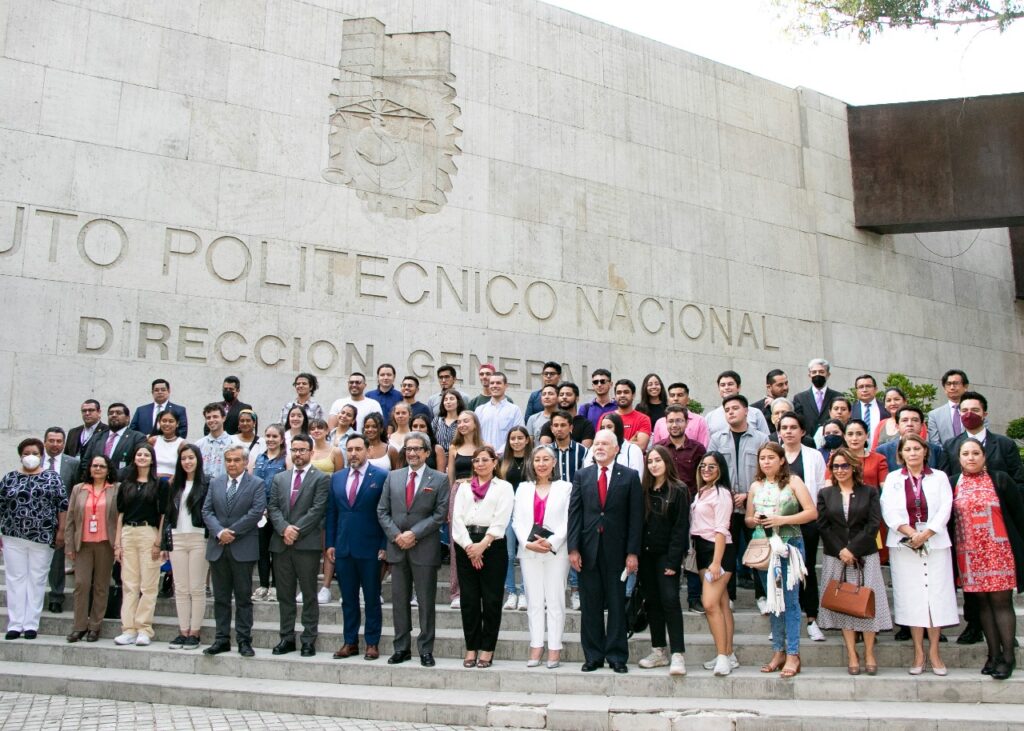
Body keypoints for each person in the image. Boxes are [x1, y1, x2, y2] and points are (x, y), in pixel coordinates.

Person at [943, 391, 1024, 646]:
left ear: (985, 413)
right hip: (969, 547)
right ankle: (986, 643)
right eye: (964, 409)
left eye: (975, 410)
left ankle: (1007, 649)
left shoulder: (1004, 447)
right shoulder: (951, 446)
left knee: (1000, 602)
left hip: (999, 543)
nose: (969, 414)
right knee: (978, 601)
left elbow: (1019, 492)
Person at [880, 434, 957, 675]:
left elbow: (946, 507)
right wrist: (911, 533)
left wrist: (927, 533)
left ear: (925, 451)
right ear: (900, 454)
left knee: (936, 596)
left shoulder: (940, 477)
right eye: (907, 449)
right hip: (904, 543)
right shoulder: (893, 478)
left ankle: (934, 651)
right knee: (912, 598)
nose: (912, 453)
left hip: (935, 542)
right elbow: (889, 510)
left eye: (917, 448)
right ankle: (918, 652)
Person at [568, 429, 642, 673]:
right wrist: (573, 548)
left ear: (616, 449)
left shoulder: (630, 476)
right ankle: (593, 655)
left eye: (605, 444)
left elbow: (635, 518)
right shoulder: (582, 475)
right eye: (596, 443)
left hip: (617, 551)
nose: (599, 447)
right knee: (590, 605)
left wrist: (632, 553)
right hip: (588, 550)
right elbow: (575, 514)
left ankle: (617, 656)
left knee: (617, 604)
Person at [816, 448, 892, 675]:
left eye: (844, 466)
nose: (840, 470)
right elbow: (823, 525)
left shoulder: (869, 492)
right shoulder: (825, 494)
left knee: (866, 605)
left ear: (854, 467)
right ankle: (852, 653)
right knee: (845, 606)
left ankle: (869, 652)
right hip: (836, 556)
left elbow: (873, 523)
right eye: (836, 466)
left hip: (864, 556)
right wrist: (842, 551)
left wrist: (853, 549)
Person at [952, 438, 1024, 679]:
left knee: (1002, 603)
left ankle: (1008, 657)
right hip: (969, 553)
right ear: (959, 458)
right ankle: (993, 655)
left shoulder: (1000, 479)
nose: (970, 458)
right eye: (965, 453)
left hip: (999, 551)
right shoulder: (954, 483)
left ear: (984, 456)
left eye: (975, 453)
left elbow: (1018, 516)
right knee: (982, 604)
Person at [745, 442, 817, 678]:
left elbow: (811, 512)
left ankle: (794, 653)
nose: (766, 462)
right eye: (762, 458)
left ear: (781, 460)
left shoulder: (793, 482)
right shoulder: (756, 485)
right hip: (763, 547)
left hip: (789, 544)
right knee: (773, 601)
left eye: (770, 458)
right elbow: (746, 519)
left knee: (791, 599)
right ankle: (778, 650)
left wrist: (780, 520)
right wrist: (755, 519)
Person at [378, 431, 450, 666]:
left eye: (418, 449)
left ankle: (426, 649)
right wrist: (397, 536)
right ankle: (402, 648)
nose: (412, 453)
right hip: (397, 547)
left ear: (427, 453)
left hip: (424, 548)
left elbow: (440, 515)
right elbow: (382, 511)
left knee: (426, 602)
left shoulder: (439, 479)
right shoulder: (393, 477)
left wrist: (414, 534)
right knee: (399, 601)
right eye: (409, 449)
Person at [451, 446, 514, 669]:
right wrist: (471, 547)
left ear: (494, 462)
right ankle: (471, 648)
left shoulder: (504, 487)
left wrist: (483, 545)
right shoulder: (463, 487)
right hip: (466, 544)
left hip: (493, 545)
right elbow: (456, 518)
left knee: (491, 600)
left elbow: (501, 519)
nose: (480, 464)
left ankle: (487, 649)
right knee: (469, 601)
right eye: (476, 460)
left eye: (485, 460)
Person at [327, 433, 388, 661]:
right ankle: (349, 641)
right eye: (349, 449)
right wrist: (330, 543)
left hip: (371, 548)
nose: (353, 453)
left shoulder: (381, 476)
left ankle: (372, 642)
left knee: (372, 597)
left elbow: (385, 512)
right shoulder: (337, 478)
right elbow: (332, 513)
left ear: (367, 451)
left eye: (358, 449)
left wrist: (384, 545)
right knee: (348, 599)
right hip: (343, 548)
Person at [0, 438, 68, 640]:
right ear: (21, 455)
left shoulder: (52, 478)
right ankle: (15, 623)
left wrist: (61, 531)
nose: (31, 457)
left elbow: (62, 506)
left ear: (42, 456)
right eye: (27, 453)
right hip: (13, 536)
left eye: (36, 453)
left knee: (37, 580)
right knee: (15, 579)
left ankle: (31, 624)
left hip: (42, 536)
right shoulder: (9, 478)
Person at [202, 445, 266, 657]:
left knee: (243, 598)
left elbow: (256, 512)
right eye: (228, 460)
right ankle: (221, 639)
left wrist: (232, 532)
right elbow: (207, 510)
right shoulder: (215, 483)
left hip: (243, 547)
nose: (231, 464)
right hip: (218, 546)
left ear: (245, 462)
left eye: (236, 460)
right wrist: (220, 532)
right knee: (220, 597)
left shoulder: (256, 484)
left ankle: (244, 640)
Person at [270, 434, 330, 657]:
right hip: (281, 543)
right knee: (284, 595)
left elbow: (317, 509)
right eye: (294, 450)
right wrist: (284, 529)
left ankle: (308, 639)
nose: (298, 454)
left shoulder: (321, 478)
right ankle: (286, 637)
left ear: (311, 452)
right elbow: (273, 507)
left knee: (308, 594)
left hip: (307, 544)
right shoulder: (280, 478)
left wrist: (295, 530)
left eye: (302, 450)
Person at [512, 445, 571, 668]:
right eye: (537, 460)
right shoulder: (523, 489)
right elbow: (517, 521)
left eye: (547, 459)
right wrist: (527, 544)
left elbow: (568, 520)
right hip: (529, 552)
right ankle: (536, 644)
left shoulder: (566, 487)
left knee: (555, 600)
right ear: (531, 463)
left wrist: (552, 541)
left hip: (556, 551)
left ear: (554, 463)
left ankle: (555, 647)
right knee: (534, 601)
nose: (542, 464)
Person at [707, 395, 769, 600]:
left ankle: (762, 596)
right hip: (726, 505)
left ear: (746, 412)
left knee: (759, 550)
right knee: (727, 552)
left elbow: (767, 471)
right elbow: (710, 470)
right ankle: (729, 596)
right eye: (727, 409)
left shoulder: (761, 438)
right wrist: (726, 494)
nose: (731, 412)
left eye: (735, 408)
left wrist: (748, 495)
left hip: (755, 505)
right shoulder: (717, 439)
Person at [636, 446, 689, 675]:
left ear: (667, 462)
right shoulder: (644, 489)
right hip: (646, 554)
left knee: (670, 600)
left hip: (667, 555)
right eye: (650, 461)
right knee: (652, 603)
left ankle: (678, 653)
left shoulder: (678, 490)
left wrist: (673, 561)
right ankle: (659, 650)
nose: (654, 464)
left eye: (658, 460)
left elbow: (680, 529)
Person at [775, 412, 827, 637]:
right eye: (784, 428)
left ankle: (811, 618)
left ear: (803, 431)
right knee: (779, 571)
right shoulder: (774, 456)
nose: (788, 431)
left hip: (806, 521)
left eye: (793, 427)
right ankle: (782, 621)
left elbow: (821, 488)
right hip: (779, 525)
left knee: (805, 570)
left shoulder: (814, 456)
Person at [114, 443, 167, 647]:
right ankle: (128, 629)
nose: (142, 457)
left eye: (146, 454)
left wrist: (158, 541)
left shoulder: (159, 484)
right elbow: (120, 515)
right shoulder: (126, 484)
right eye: (139, 454)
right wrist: (117, 544)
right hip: (128, 532)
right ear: (134, 458)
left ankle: (144, 629)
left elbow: (163, 514)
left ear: (152, 459)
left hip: (148, 532)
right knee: (129, 584)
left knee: (148, 585)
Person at [64, 454, 118, 643]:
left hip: (105, 544)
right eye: (94, 466)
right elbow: (70, 519)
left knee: (101, 586)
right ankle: (79, 626)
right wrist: (69, 545)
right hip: (83, 544)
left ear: (108, 469)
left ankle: (95, 626)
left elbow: (120, 518)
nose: (97, 469)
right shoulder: (79, 489)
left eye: (102, 466)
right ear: (89, 469)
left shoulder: (115, 489)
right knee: (81, 584)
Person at [692, 452, 738, 676]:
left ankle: (722, 657)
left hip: (717, 550)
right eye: (703, 466)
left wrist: (716, 563)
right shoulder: (703, 492)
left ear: (721, 469)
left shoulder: (721, 494)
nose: (706, 470)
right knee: (720, 603)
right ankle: (728, 654)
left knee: (709, 604)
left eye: (712, 466)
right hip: (702, 549)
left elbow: (721, 529)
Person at [160, 445, 209, 650]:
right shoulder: (174, 485)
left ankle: (195, 632)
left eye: (191, 458)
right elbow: (168, 516)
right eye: (183, 459)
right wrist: (164, 543)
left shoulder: (207, 484)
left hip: (199, 539)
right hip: (177, 538)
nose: (187, 462)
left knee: (196, 588)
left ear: (198, 459)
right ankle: (183, 631)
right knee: (180, 588)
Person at [446, 410, 487, 609]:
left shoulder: (484, 447)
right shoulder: (454, 447)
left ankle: (478, 588)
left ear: (475, 423)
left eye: (466, 421)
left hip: (480, 492)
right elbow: (450, 477)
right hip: (458, 491)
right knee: (457, 541)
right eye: (459, 421)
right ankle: (457, 592)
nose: (462, 424)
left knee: (479, 540)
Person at [40, 427, 79, 614]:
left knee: (57, 562)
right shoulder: (35, 461)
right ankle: (35, 596)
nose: (55, 444)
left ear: (63, 443)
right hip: (36, 520)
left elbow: (75, 491)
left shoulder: (72, 463)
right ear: (45, 442)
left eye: (59, 441)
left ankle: (56, 597)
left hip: (61, 519)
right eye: (51, 440)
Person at [250, 424, 289, 602]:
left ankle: (276, 586)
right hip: (260, 512)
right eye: (268, 436)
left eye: (275, 436)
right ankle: (263, 585)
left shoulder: (286, 459)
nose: (271, 440)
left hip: (278, 511)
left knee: (278, 550)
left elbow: (287, 485)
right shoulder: (259, 458)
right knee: (262, 550)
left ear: (282, 439)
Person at [500, 426, 532, 611]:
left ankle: (525, 592)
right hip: (508, 513)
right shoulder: (503, 462)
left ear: (527, 440)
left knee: (526, 554)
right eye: (513, 438)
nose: (517, 441)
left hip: (528, 513)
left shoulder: (533, 461)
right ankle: (511, 592)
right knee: (509, 554)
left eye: (520, 438)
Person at [79, 403, 146, 482]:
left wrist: (111, 477)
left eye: (118, 413)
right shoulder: (97, 437)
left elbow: (136, 463)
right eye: (110, 413)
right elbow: (86, 461)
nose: (114, 415)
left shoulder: (137, 437)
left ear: (127, 418)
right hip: (96, 484)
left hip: (123, 485)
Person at [704, 371, 770, 437]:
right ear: (719, 389)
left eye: (730, 384)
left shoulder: (756, 413)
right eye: (722, 385)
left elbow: (767, 442)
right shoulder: (710, 417)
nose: (726, 388)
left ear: (738, 387)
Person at [475, 372, 525, 457]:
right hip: (483, 458)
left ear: (506, 386)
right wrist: (485, 448)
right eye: (492, 383)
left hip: (507, 458)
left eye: (498, 383)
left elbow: (519, 434)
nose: (494, 386)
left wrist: (499, 452)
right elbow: (475, 434)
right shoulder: (479, 410)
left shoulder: (514, 410)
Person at [792, 358, 843, 438]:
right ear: (809, 375)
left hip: (831, 440)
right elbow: (799, 422)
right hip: (807, 441)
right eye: (814, 372)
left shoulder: (838, 397)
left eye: (821, 372)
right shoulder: (799, 398)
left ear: (828, 374)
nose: (817, 374)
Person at [649, 382, 710, 448]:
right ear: (668, 400)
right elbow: (656, 449)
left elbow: (703, 448)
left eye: (680, 395)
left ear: (688, 400)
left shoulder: (699, 421)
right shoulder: (660, 422)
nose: (675, 399)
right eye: (672, 395)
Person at [927, 369, 973, 445]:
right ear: (944, 389)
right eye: (948, 384)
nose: (952, 387)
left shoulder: (976, 410)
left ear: (965, 386)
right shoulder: (934, 415)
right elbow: (934, 443)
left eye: (956, 383)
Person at [843, 419, 889, 487]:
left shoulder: (879, 459)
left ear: (866, 436)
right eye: (850, 434)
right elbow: (829, 485)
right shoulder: (836, 458)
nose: (854, 438)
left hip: (871, 497)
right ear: (844, 437)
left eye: (859, 434)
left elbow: (885, 487)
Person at [196, 403, 235, 480]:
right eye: (208, 417)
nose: (211, 420)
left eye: (215, 417)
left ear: (223, 418)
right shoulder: (199, 445)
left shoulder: (233, 443)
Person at [611, 379, 652, 451]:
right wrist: (630, 442)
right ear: (615, 396)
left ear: (633, 395)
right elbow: (602, 444)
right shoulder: (606, 417)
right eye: (619, 393)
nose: (622, 395)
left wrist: (614, 444)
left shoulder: (643, 419)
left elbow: (641, 446)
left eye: (626, 392)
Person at [850, 374, 889, 444]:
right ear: (856, 391)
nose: (864, 390)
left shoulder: (886, 409)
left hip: (880, 451)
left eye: (868, 386)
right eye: (861, 387)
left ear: (875, 389)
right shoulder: (850, 410)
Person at [150, 410, 185, 479]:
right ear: (159, 422)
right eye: (164, 421)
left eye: (171, 421)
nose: (167, 424)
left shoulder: (182, 444)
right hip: (153, 480)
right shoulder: (153, 440)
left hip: (173, 482)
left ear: (177, 424)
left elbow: (184, 468)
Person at [432, 388, 465, 457]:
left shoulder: (462, 422)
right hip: (438, 458)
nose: (448, 402)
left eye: (451, 399)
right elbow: (431, 439)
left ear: (458, 402)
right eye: (445, 399)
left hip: (456, 458)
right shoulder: (437, 420)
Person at [367, 364, 402, 428]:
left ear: (394, 377)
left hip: (394, 434)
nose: (385, 378)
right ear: (378, 377)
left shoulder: (400, 396)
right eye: (382, 375)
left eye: (389, 375)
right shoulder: (369, 396)